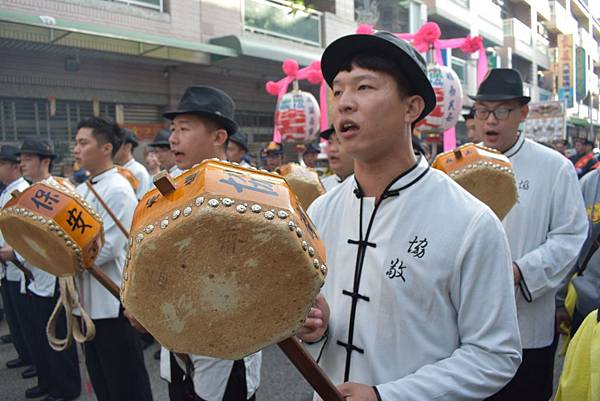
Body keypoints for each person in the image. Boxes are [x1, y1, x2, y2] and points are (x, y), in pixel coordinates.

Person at [298, 31, 522, 401]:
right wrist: (314, 326)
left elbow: (495, 353)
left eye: (364, 87)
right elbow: (317, 315)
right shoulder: (321, 210)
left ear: (411, 108)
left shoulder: (470, 221)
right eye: (337, 91)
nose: (344, 104)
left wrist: (387, 396)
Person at [470, 68, 587, 401]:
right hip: (465, 326)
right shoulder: (457, 165)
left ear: (523, 113)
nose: (491, 120)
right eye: (483, 111)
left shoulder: (554, 167)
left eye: (502, 110)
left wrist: (521, 271)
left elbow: (570, 237)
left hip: (526, 325)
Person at [159, 86, 261, 401]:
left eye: (184, 129)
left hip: (225, 339)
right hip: (175, 331)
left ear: (218, 137)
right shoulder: (165, 186)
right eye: (173, 130)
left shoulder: (251, 188)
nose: (173, 138)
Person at [73, 117, 153, 401]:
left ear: (106, 147)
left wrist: (61, 253)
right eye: (77, 143)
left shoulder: (118, 189)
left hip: (113, 301)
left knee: (126, 383)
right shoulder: (81, 189)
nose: (76, 149)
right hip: (86, 302)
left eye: (83, 143)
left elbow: (104, 250)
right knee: (102, 380)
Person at [14, 138, 82, 401]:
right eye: (21, 159)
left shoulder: (60, 190)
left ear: (46, 161)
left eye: (28, 159)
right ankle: (47, 382)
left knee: (60, 338)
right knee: (39, 335)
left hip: (54, 277)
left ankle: (66, 388)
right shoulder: (28, 192)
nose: (22, 164)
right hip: (32, 275)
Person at [0, 145, 34, 375]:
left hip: (19, 263)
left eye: (2, 164)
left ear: (15, 166)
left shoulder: (22, 191)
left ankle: (33, 357)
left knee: (27, 318)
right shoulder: (6, 191)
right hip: (6, 262)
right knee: (15, 316)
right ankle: (24, 354)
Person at [114, 128, 151, 199]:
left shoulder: (139, 172)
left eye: (117, 144)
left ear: (128, 146)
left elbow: (140, 201)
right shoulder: (114, 169)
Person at [319, 127, 353, 191]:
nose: (332, 149)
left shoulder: (370, 187)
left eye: (340, 142)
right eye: (330, 143)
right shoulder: (321, 187)